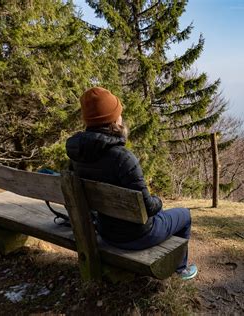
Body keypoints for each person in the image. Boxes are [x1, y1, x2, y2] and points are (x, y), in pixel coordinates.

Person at [65, 87, 197, 280]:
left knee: (162, 214)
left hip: (105, 232)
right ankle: (181, 269)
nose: (121, 118)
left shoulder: (76, 156)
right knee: (184, 215)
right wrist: (158, 201)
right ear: (113, 120)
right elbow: (148, 207)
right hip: (138, 237)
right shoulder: (122, 158)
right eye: (119, 114)